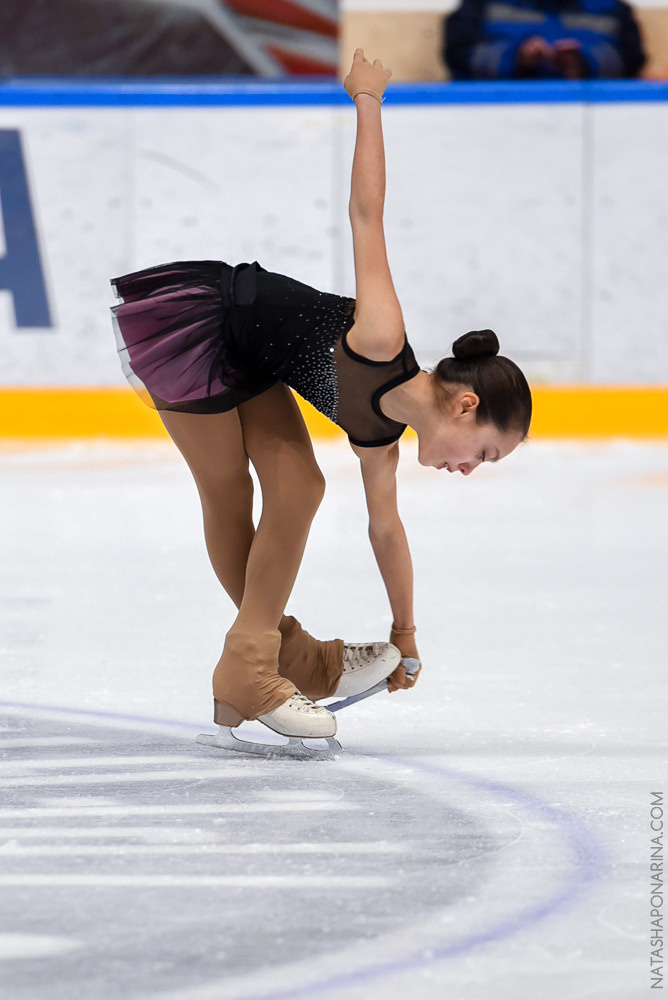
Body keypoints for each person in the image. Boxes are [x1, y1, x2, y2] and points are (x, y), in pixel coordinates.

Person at [110, 49, 532, 747]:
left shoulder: (380, 440)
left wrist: (405, 633)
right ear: (464, 407)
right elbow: (368, 215)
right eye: (484, 451)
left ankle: (286, 658)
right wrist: (368, 101)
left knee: (297, 486)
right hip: (201, 323)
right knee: (240, 493)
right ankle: (254, 668)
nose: (471, 467)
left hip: (251, 359)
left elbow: (386, 532)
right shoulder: (383, 339)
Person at [443, 0, 645, 80]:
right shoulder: (482, 4)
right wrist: (517, 60)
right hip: (495, 123)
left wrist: (582, 63)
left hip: (597, 120)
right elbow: (459, 55)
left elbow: (631, 59)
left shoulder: (610, 7)